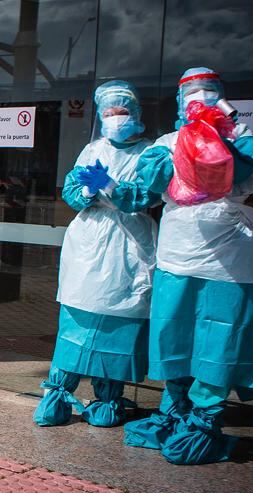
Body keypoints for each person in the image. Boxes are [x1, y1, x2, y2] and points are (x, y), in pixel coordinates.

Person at [119, 67, 253, 464]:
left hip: (231, 258)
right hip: (178, 254)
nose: (201, 97)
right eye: (192, 92)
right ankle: (174, 410)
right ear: (179, 101)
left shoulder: (243, 139)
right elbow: (151, 182)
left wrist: (218, 133)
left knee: (221, 340)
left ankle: (204, 421)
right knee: (174, 337)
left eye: (209, 91)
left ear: (221, 95)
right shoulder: (166, 141)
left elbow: (242, 172)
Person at [33, 79, 159, 427]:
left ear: (135, 113)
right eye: (108, 113)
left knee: (117, 327)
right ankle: (57, 396)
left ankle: (108, 399)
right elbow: (72, 191)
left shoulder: (150, 152)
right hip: (89, 243)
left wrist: (113, 187)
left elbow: (147, 195)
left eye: (121, 112)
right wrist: (86, 191)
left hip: (130, 244)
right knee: (77, 319)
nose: (116, 119)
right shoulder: (92, 150)